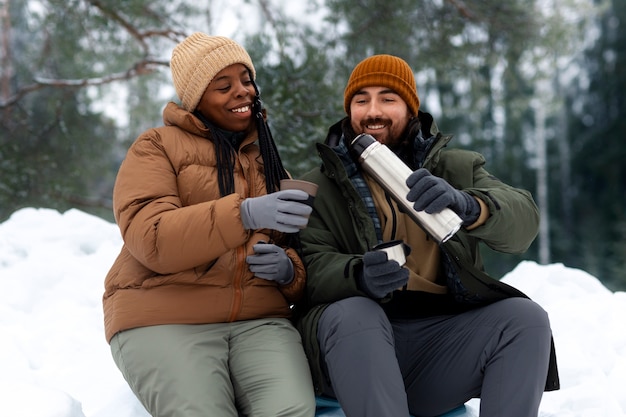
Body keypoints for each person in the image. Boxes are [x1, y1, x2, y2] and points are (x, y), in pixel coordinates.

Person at [294, 54, 560, 417]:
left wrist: (469, 206)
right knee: (355, 313)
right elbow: (308, 266)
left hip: (439, 346)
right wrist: (357, 275)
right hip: (354, 352)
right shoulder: (318, 184)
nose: (373, 111)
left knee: (525, 318)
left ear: (411, 109)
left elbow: (523, 222)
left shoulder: (455, 168)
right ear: (348, 110)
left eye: (388, 99)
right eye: (361, 100)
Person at [103, 32, 316, 417]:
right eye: (224, 85)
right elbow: (151, 238)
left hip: (257, 320)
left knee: (291, 410)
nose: (243, 92)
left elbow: (295, 250)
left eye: (246, 80)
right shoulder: (156, 147)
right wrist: (245, 214)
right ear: (196, 97)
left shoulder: (266, 158)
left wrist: (289, 271)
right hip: (165, 315)